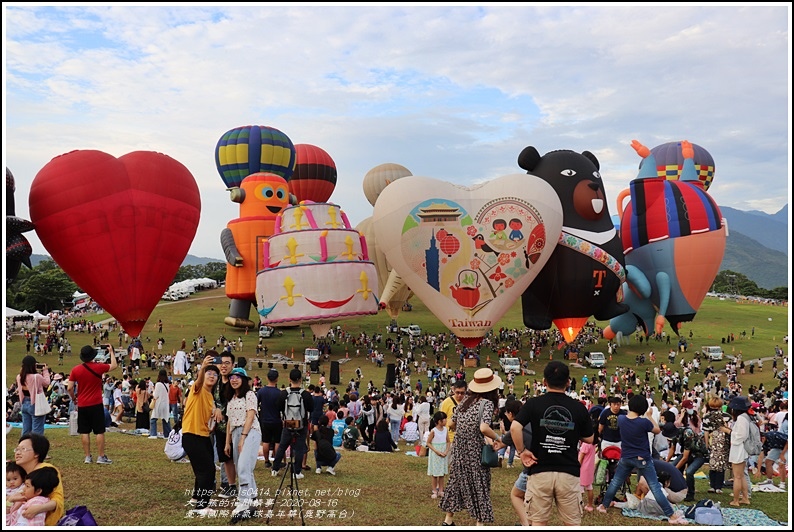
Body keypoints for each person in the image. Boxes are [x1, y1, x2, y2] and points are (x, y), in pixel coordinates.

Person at [509, 361, 594, 526]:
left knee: (539, 523)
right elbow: (589, 438)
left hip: (540, 470)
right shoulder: (578, 407)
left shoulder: (533, 403)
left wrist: (522, 451)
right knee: (571, 524)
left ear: (544, 382)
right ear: (568, 382)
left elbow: (514, 427)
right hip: (568, 472)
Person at [596, 395, 688, 524]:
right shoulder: (643, 422)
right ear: (643, 408)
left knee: (615, 482)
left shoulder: (621, 419)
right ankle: (671, 515)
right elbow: (657, 430)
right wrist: (650, 416)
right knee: (655, 487)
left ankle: (603, 506)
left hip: (626, 457)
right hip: (642, 458)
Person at [440, 367, 504, 526]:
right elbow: (483, 428)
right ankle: (479, 524)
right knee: (479, 483)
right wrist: (498, 438)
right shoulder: (487, 403)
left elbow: (451, 423)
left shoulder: (464, 402)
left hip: (459, 447)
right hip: (474, 448)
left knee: (456, 482)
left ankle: (448, 521)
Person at [182, 357, 221, 516]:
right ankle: (201, 507)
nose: (212, 376)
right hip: (192, 434)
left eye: (214, 374)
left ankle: (196, 497)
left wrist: (217, 413)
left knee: (203, 469)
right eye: (209, 373)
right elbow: (198, 382)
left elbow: (210, 417)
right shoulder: (197, 389)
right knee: (208, 469)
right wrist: (203, 367)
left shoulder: (211, 397)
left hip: (204, 435)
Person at [67, 345, 117, 464]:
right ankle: (101, 456)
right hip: (96, 403)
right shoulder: (98, 367)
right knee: (99, 431)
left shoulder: (75, 370)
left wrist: (74, 398)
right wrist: (111, 352)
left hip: (82, 404)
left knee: (84, 431)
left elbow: (69, 387)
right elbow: (114, 365)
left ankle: (87, 457)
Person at [223, 367, 261, 518]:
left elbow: (250, 416)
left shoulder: (250, 394)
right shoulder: (231, 399)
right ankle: (252, 497)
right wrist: (228, 443)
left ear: (244, 380)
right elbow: (229, 423)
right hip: (235, 433)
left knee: (244, 466)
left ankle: (243, 501)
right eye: (232, 377)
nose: (234, 379)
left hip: (250, 431)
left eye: (238, 377)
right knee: (242, 468)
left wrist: (243, 437)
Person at [8, 433, 65, 525]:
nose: (17, 453)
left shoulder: (46, 471)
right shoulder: (18, 472)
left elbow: (58, 500)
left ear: (37, 454)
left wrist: (38, 509)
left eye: (23, 449)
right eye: (17, 449)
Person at [271, 369, 314, 480]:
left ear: (289, 379)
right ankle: (297, 471)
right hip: (301, 424)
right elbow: (311, 408)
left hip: (287, 423)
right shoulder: (305, 394)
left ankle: (275, 469)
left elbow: (278, 407)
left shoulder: (284, 393)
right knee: (299, 448)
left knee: (282, 446)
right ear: (300, 379)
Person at [667, 418, 709, 501]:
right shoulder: (674, 435)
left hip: (699, 455)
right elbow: (672, 449)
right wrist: (666, 463)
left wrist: (674, 470)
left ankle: (690, 494)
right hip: (688, 453)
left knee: (689, 472)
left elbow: (685, 458)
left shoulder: (687, 434)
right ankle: (678, 488)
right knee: (672, 466)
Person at [702, 396, 732, 493]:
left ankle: (712, 485)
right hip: (723, 441)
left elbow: (706, 432)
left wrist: (706, 444)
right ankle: (719, 486)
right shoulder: (726, 416)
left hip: (712, 440)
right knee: (721, 464)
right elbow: (729, 428)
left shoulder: (706, 417)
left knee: (713, 464)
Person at [16, 355, 52, 436]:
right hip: (35, 404)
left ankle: (24, 445)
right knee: (37, 429)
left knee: (26, 429)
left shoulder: (19, 377)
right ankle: (36, 447)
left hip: (24, 403)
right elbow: (47, 383)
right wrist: (45, 371)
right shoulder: (36, 377)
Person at [728, 395, 753, 507]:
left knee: (737, 476)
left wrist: (730, 432)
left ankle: (736, 500)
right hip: (741, 448)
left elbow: (741, 435)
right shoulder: (746, 417)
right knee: (741, 475)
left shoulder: (741, 418)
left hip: (739, 448)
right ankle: (745, 498)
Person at [257, 369, 282, 467]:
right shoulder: (279, 393)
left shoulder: (261, 391)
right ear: (277, 379)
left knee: (265, 441)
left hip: (264, 419)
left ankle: (266, 461)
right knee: (277, 441)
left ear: (267, 378)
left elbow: (256, 403)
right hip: (276, 419)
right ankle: (276, 459)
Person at [427, 410, 450, 499]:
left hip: (443, 452)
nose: (446, 421)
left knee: (441, 473)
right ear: (439, 421)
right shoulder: (434, 431)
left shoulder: (445, 430)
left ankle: (441, 490)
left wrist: (446, 451)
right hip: (436, 453)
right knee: (435, 473)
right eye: (444, 419)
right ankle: (434, 490)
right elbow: (428, 443)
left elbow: (448, 441)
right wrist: (436, 451)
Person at [149, 369, 172, 439]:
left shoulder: (158, 384)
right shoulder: (167, 384)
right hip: (165, 404)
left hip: (159, 404)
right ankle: (167, 434)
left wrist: (153, 390)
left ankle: (153, 434)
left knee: (153, 419)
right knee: (165, 419)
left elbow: (155, 395)